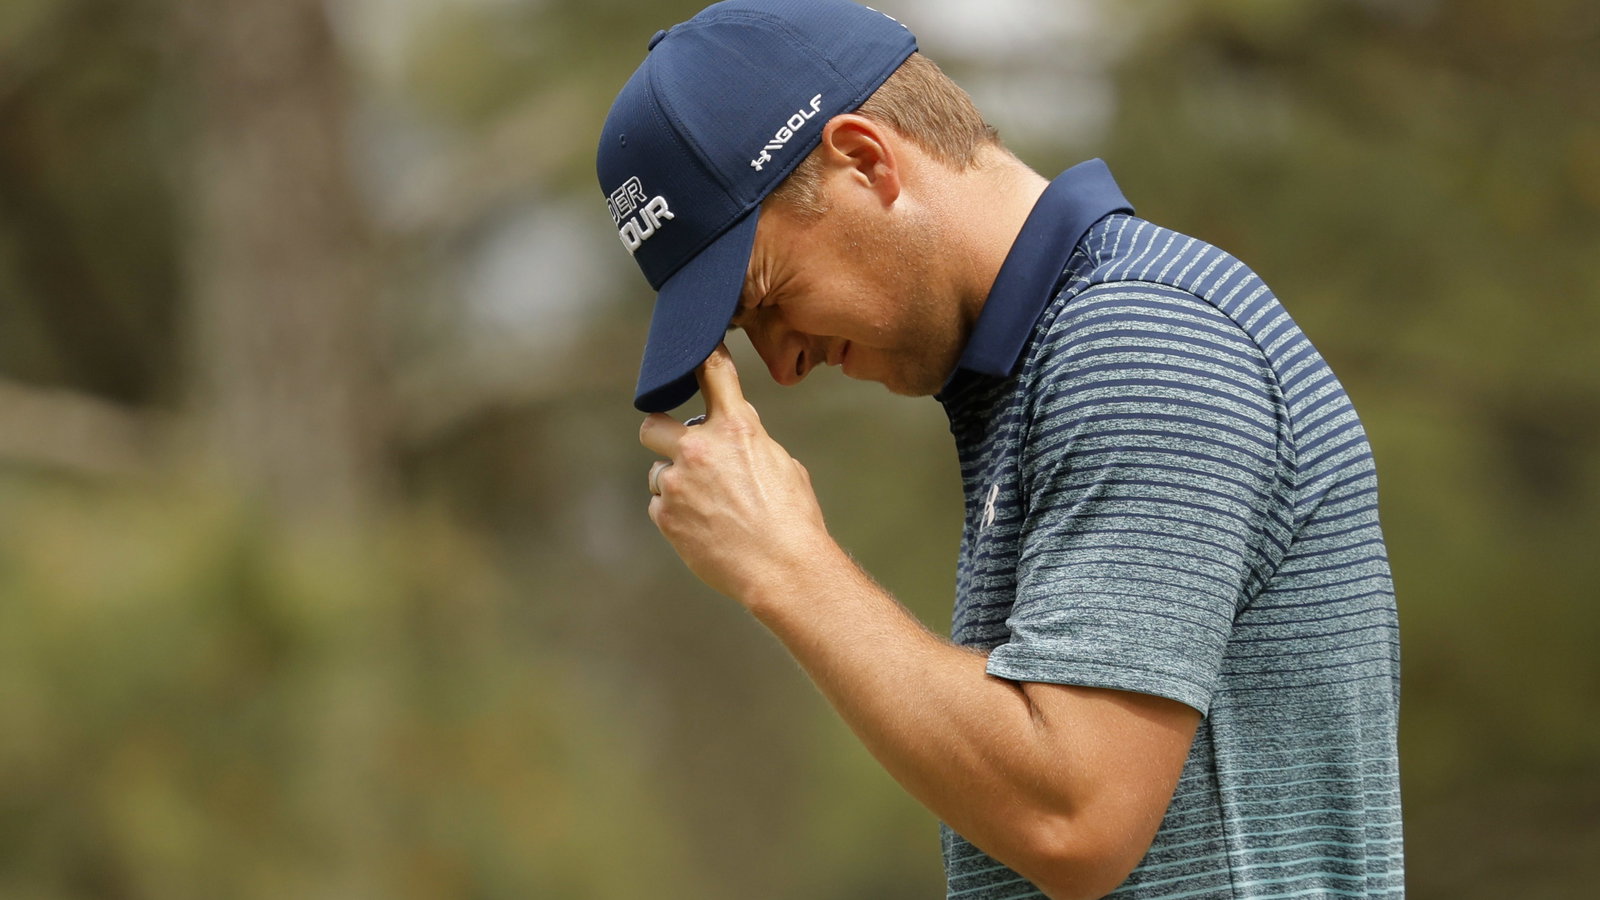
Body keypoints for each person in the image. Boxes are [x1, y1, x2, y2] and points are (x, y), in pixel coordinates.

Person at [596, 2, 1403, 897]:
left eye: (770, 295)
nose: (781, 364)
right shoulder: (1040, 369)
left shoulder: (1137, 341)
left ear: (865, 161)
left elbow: (1075, 818)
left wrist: (786, 563)